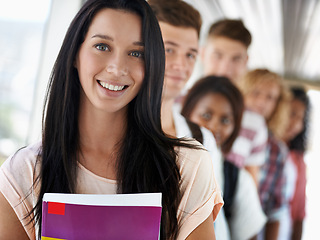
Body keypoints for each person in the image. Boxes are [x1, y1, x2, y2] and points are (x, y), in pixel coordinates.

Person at [0, 1, 223, 239]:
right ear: (75, 53)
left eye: (136, 53)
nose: (117, 68)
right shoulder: (24, 172)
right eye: (102, 46)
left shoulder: (187, 168)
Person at [147, 1, 229, 239]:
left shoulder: (203, 140)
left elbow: (215, 222)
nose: (181, 65)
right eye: (169, 49)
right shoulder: (109, 128)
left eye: (190, 54)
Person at [181, 75, 267, 240]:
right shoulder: (162, 161)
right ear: (186, 113)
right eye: (206, 115)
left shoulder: (237, 180)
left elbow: (250, 235)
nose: (214, 127)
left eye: (225, 120)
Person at [200, 19, 268, 186]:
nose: (225, 68)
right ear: (202, 54)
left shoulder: (255, 124)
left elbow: (251, 189)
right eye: (218, 56)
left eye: (235, 59)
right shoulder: (173, 106)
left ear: (245, 62)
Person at [239, 68, 291, 240]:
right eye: (255, 93)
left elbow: (276, 210)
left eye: (270, 97)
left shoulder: (277, 150)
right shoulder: (224, 131)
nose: (262, 102)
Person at [282, 87, 310, 240]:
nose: (295, 124)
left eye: (301, 118)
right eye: (292, 114)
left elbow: (299, 210)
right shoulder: (259, 147)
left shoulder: (298, 160)